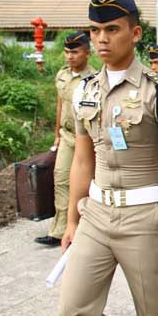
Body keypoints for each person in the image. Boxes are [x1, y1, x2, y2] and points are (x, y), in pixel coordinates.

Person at [58, 0, 158, 316]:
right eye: (95, 31)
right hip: (97, 216)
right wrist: (72, 221)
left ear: (134, 34)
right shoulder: (85, 91)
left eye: (112, 29)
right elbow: (82, 161)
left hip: (145, 218)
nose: (101, 39)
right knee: (73, 311)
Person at [35, 31, 95, 247]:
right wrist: (57, 133)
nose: (70, 56)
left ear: (87, 53)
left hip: (87, 138)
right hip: (67, 135)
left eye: (75, 52)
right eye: (67, 52)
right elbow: (60, 104)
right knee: (60, 180)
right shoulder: (62, 75)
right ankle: (60, 231)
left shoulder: (94, 79)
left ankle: (86, 227)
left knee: (85, 183)